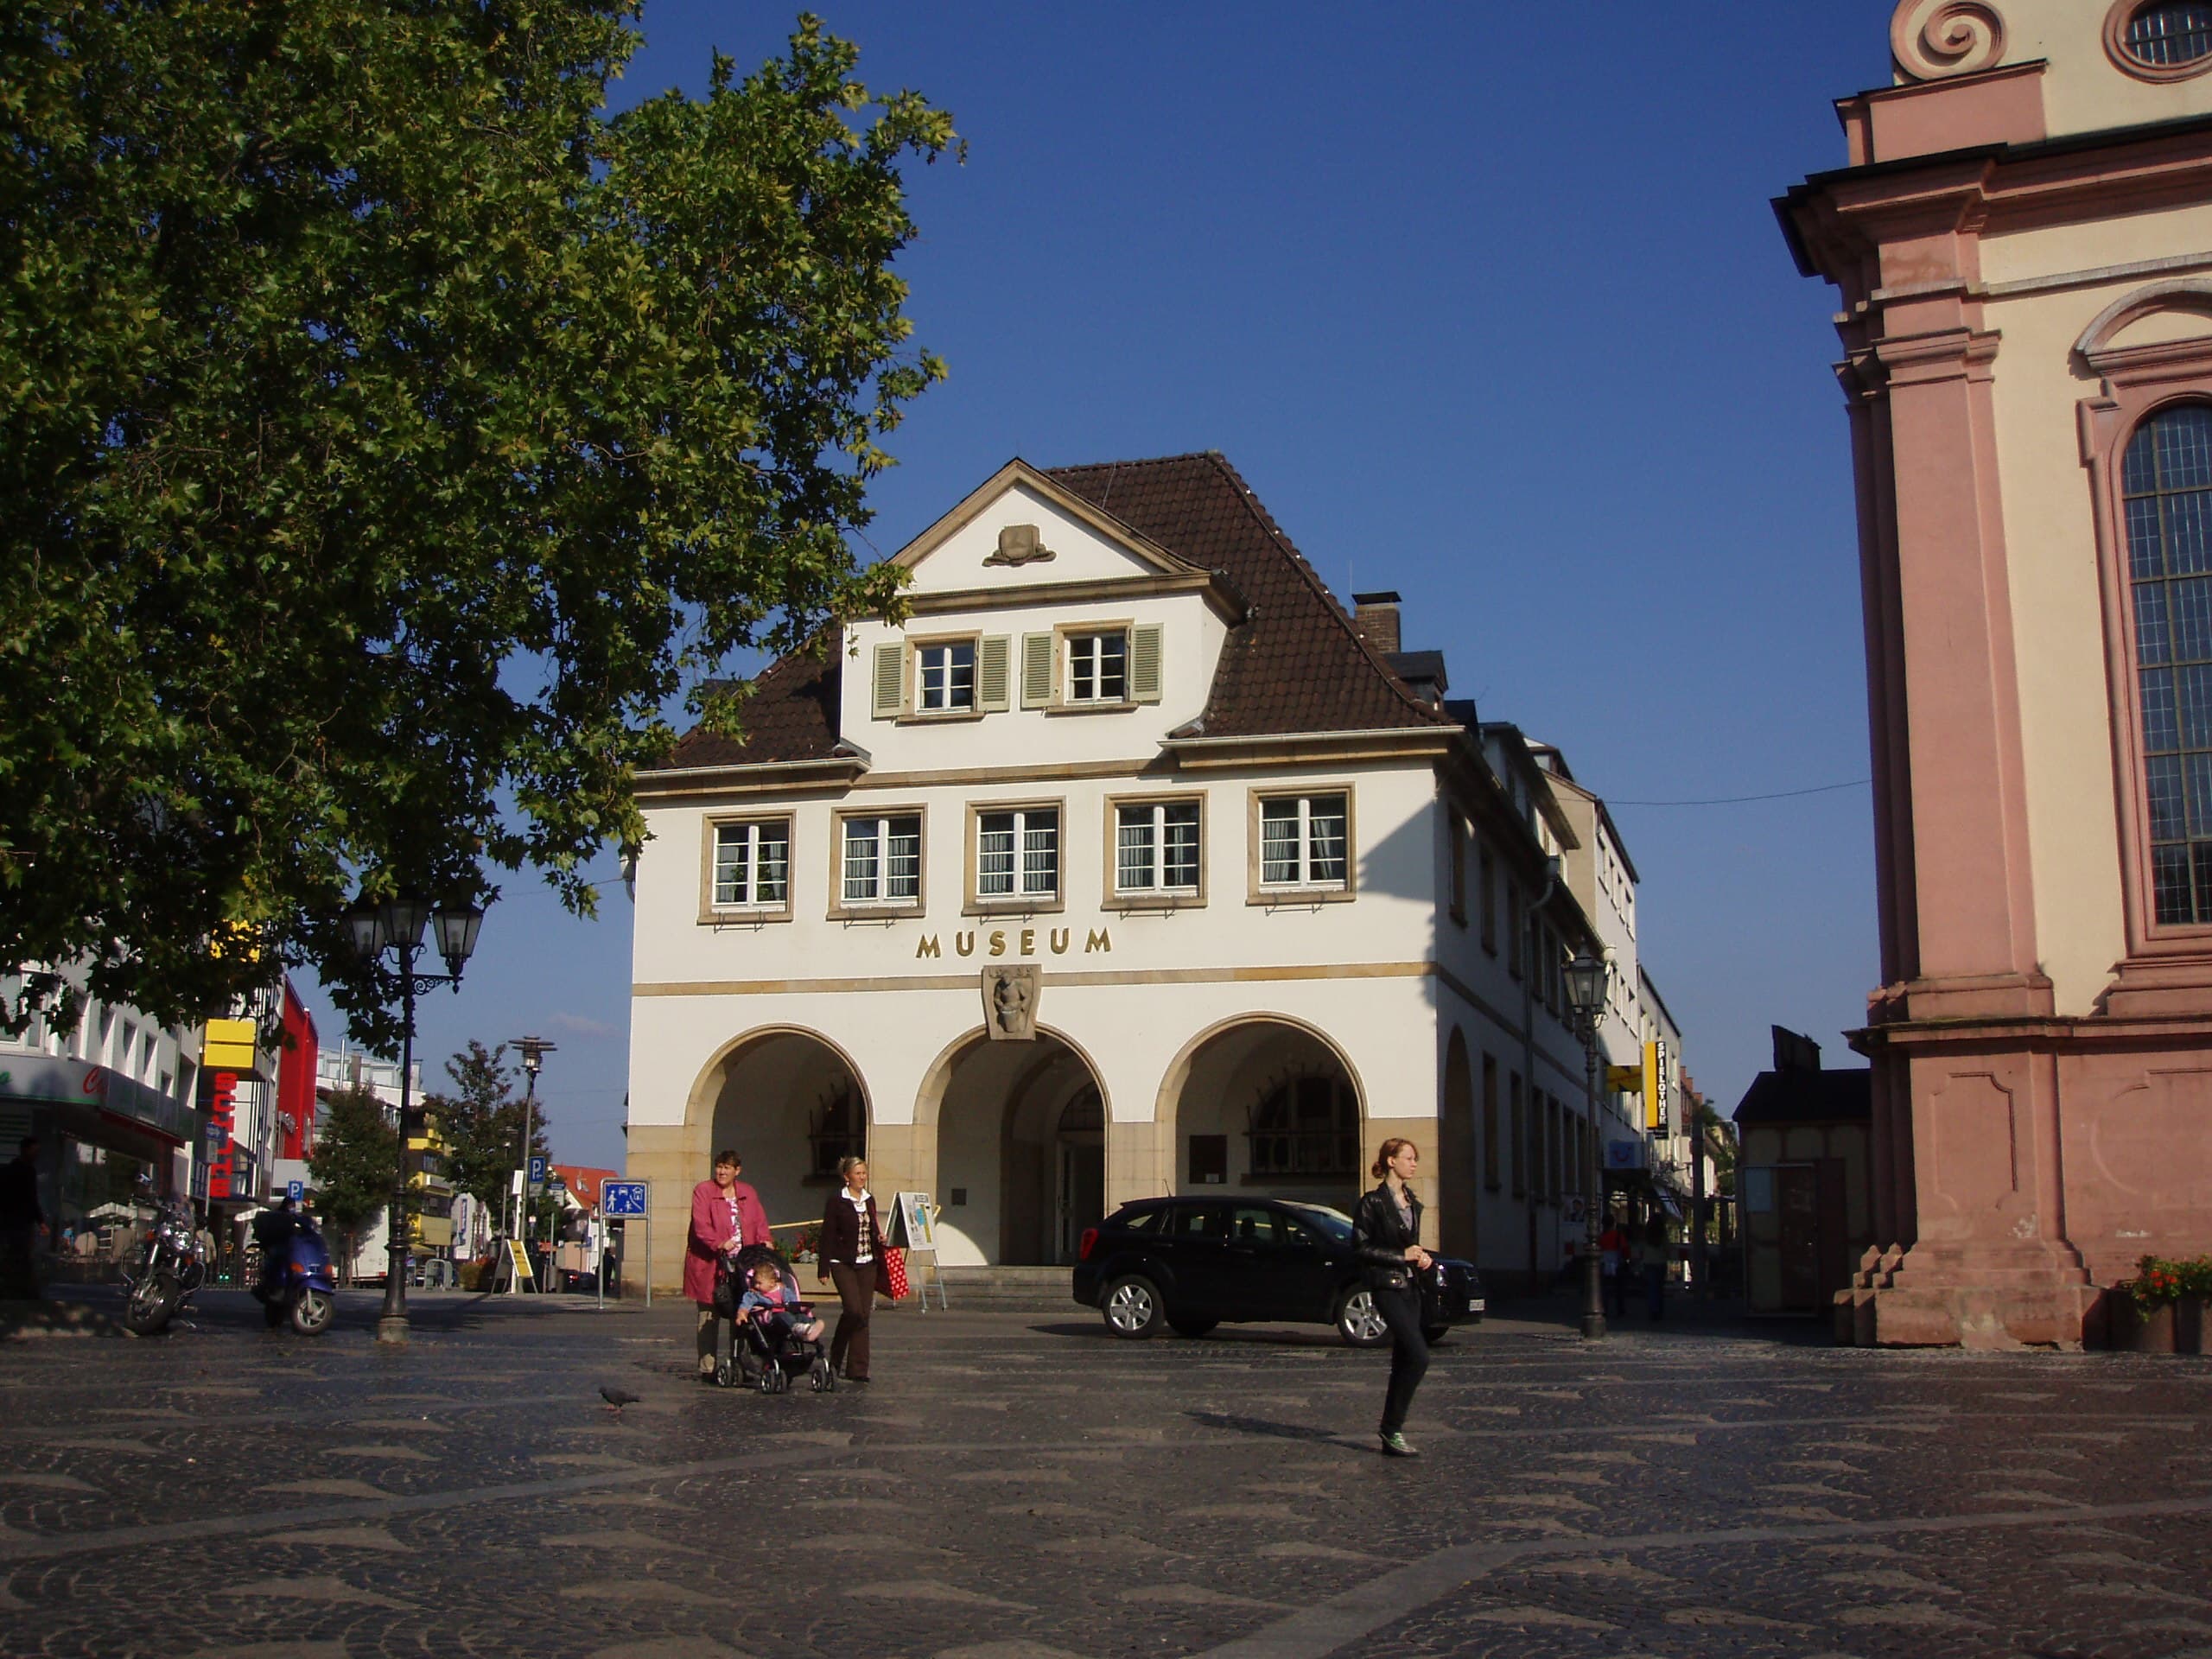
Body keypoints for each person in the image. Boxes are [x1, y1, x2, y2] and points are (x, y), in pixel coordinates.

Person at [1351, 1137, 1432, 1458]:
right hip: (1387, 1286)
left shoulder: (1411, 1200)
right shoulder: (1372, 1203)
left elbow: (1409, 1245)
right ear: (1390, 1161)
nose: (1413, 1164)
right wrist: (1402, 1255)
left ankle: (1391, 1430)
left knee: (1404, 1360)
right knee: (1419, 1355)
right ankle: (1391, 1426)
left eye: (1415, 1158)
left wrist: (1420, 1257)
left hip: (1411, 1287)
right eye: (1408, 1158)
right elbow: (1360, 1247)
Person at [685, 1150, 767, 1380]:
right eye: (719, 1167)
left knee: (741, 1314)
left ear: (737, 1171)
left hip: (742, 1263)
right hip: (710, 1263)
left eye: (727, 1168)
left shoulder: (748, 1193)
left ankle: (738, 1363)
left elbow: (759, 1221)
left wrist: (765, 1241)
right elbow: (701, 1226)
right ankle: (707, 1368)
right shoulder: (704, 1191)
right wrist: (719, 1243)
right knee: (709, 1315)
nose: (722, 1172)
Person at [817, 1156, 893, 1383]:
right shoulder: (837, 1201)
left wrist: (879, 1237)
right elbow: (828, 1234)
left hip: (867, 1262)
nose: (862, 1177)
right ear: (847, 1176)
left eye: (864, 1173)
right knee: (853, 1310)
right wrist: (823, 1268)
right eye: (858, 1173)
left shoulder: (869, 1200)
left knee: (863, 1316)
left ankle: (858, 1369)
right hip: (843, 1262)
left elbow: (870, 1227)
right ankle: (836, 1354)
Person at [740, 1261, 826, 1353]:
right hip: (772, 1319)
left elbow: (793, 1302)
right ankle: (800, 1328)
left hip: (789, 1314)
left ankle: (811, 1327)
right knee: (784, 1315)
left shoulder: (783, 1290)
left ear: (772, 1283)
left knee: (801, 1317)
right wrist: (742, 1313)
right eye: (755, 1283)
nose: (756, 1286)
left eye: (759, 1283)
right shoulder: (755, 1294)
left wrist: (801, 1307)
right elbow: (746, 1304)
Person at [1, 1135, 45, 1300]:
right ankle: (19, 1290)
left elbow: (32, 1199)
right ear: (25, 1150)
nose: (37, 1155)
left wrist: (39, 1221)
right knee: (18, 1255)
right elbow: (31, 1199)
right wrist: (40, 1221)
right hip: (17, 1221)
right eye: (35, 1152)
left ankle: (15, 1289)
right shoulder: (21, 1171)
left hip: (16, 1221)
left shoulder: (19, 1170)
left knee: (17, 1255)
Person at [1598, 1211, 1628, 1319]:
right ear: (1613, 1223)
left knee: (1605, 1288)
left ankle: (1604, 1308)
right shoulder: (1618, 1235)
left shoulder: (1601, 1236)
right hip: (1617, 1263)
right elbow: (1624, 1249)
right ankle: (1620, 1309)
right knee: (1619, 1288)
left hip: (1604, 1263)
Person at [1642, 1213, 1669, 1320]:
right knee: (1659, 1288)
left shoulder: (1647, 1233)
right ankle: (1659, 1310)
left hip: (1648, 1262)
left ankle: (1652, 1310)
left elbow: (1642, 1247)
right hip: (1660, 1262)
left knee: (1651, 1288)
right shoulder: (1662, 1233)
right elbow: (1667, 1247)